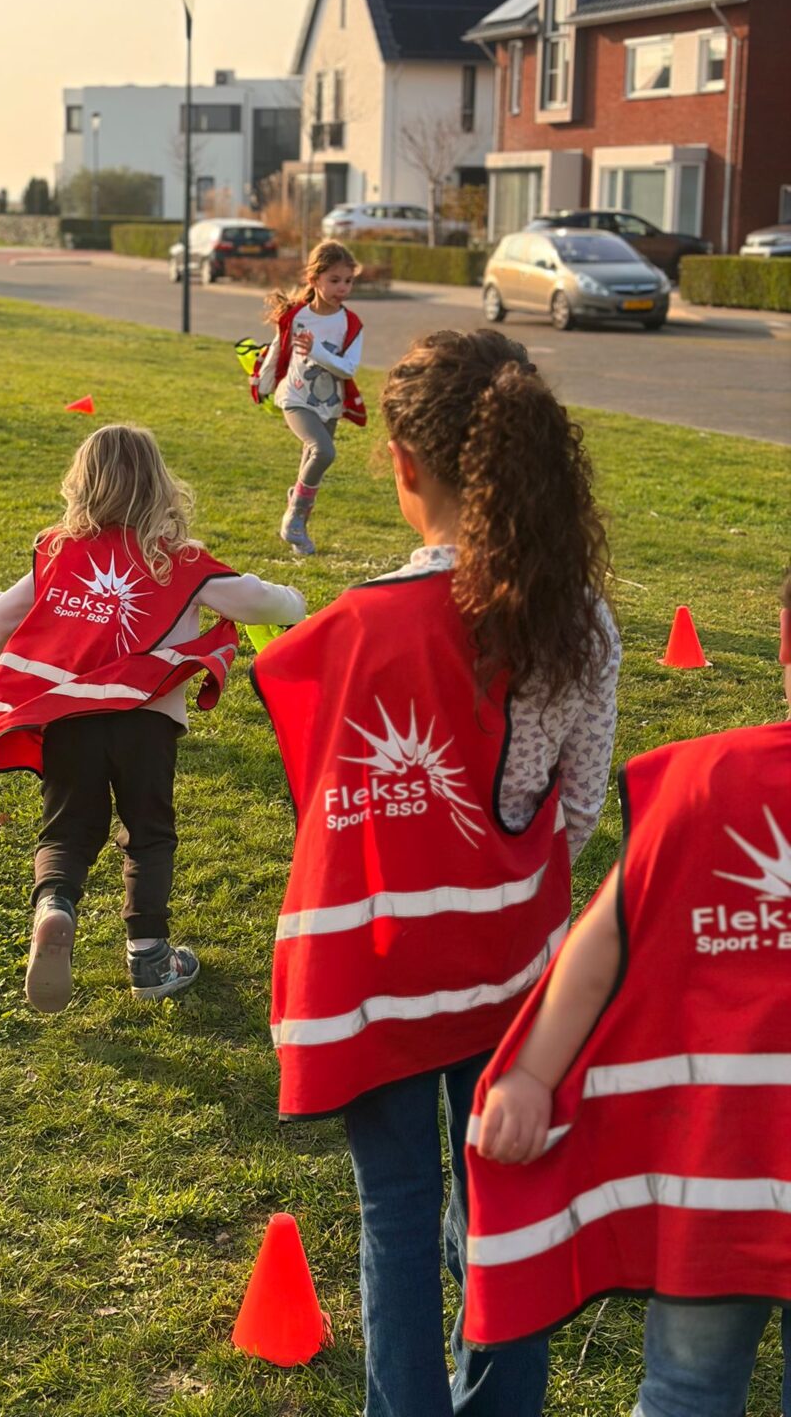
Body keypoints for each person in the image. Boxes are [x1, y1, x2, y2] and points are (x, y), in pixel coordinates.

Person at [251, 329, 620, 1416]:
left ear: (405, 468)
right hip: (515, 972)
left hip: (378, 971)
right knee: (506, 1206)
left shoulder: (358, 627)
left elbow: (324, 804)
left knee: (397, 1215)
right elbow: (581, 806)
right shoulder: (579, 620)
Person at [465, 574, 791, 1417]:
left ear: (785, 641)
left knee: (687, 1389)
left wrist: (532, 1075)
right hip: (720, 1169)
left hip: (713, 1174)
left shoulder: (702, 784)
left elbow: (601, 937)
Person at [0, 423, 306, 1013]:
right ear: (159, 486)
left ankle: (54, 907)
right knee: (148, 831)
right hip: (147, 722)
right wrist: (294, 601)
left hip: (69, 717)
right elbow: (260, 600)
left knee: (69, 829)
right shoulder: (178, 560)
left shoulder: (59, 551)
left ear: (82, 484)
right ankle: (149, 956)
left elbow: (0, 615)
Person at [254, 239, 366, 557]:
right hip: (295, 397)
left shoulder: (351, 324)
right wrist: (263, 384)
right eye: (334, 280)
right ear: (313, 279)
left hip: (330, 405)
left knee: (311, 460)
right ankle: (293, 521)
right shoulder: (296, 316)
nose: (342, 288)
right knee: (324, 451)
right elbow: (279, 348)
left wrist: (316, 351)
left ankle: (296, 522)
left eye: (348, 281)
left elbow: (349, 368)